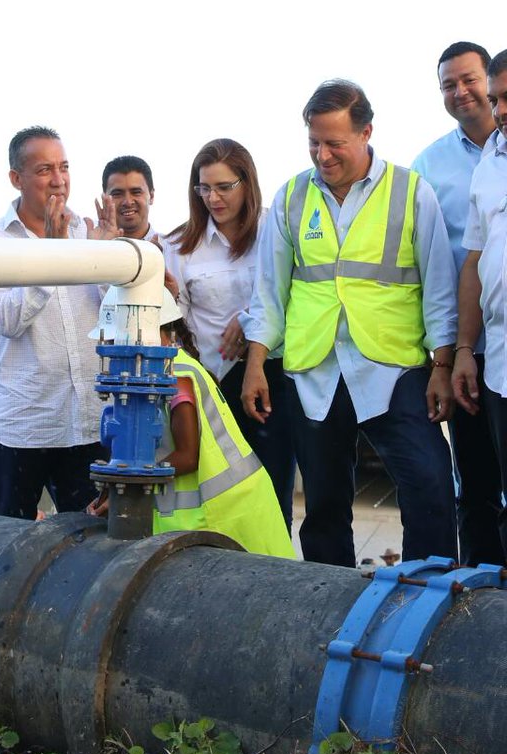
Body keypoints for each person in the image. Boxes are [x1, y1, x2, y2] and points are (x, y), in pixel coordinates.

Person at [242, 79, 459, 567]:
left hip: (393, 366)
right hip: (315, 368)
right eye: (314, 142)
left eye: (334, 143)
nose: (323, 155)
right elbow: (269, 291)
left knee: (429, 484)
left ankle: (426, 590)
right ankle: (329, 595)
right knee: (322, 504)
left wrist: (442, 366)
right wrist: (257, 363)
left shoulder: (410, 192)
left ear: (366, 133)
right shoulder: (292, 196)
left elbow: (440, 287)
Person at [0, 126, 119, 519]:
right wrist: (54, 256)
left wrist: (107, 261)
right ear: (15, 178)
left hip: (85, 421)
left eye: (64, 167)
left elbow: (115, 318)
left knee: (92, 541)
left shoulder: (87, 232)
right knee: (7, 538)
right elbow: (6, 320)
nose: (59, 180)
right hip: (20, 422)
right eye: (44, 170)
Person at [89, 290, 295, 558]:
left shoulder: (177, 376)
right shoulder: (165, 370)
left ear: (145, 333)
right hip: (224, 509)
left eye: (117, 340)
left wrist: (128, 489)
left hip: (229, 512)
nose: (115, 349)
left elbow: (188, 456)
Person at [164, 139, 297, 530]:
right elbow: (177, 319)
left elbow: (295, 293)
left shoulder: (275, 228)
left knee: (272, 491)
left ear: (247, 183)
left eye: (224, 187)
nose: (213, 198)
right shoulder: (179, 245)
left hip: (271, 377)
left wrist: (249, 318)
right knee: (218, 496)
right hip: (211, 384)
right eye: (204, 188)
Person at [413, 42, 504, 566]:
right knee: (475, 484)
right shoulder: (429, 166)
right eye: (448, 85)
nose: (461, 92)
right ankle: (480, 593)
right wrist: (448, 356)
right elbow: (440, 266)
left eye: (469, 80)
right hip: (472, 349)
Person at [452, 49, 507, 556]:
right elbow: (474, 261)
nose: (500, 109)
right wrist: (465, 349)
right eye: (497, 99)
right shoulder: (489, 166)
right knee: (490, 498)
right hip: (498, 367)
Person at [102, 155, 161, 244]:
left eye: (136, 192)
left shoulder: (174, 250)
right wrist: (100, 248)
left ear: (151, 196)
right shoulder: (89, 247)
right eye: (117, 194)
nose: (128, 202)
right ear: (104, 199)